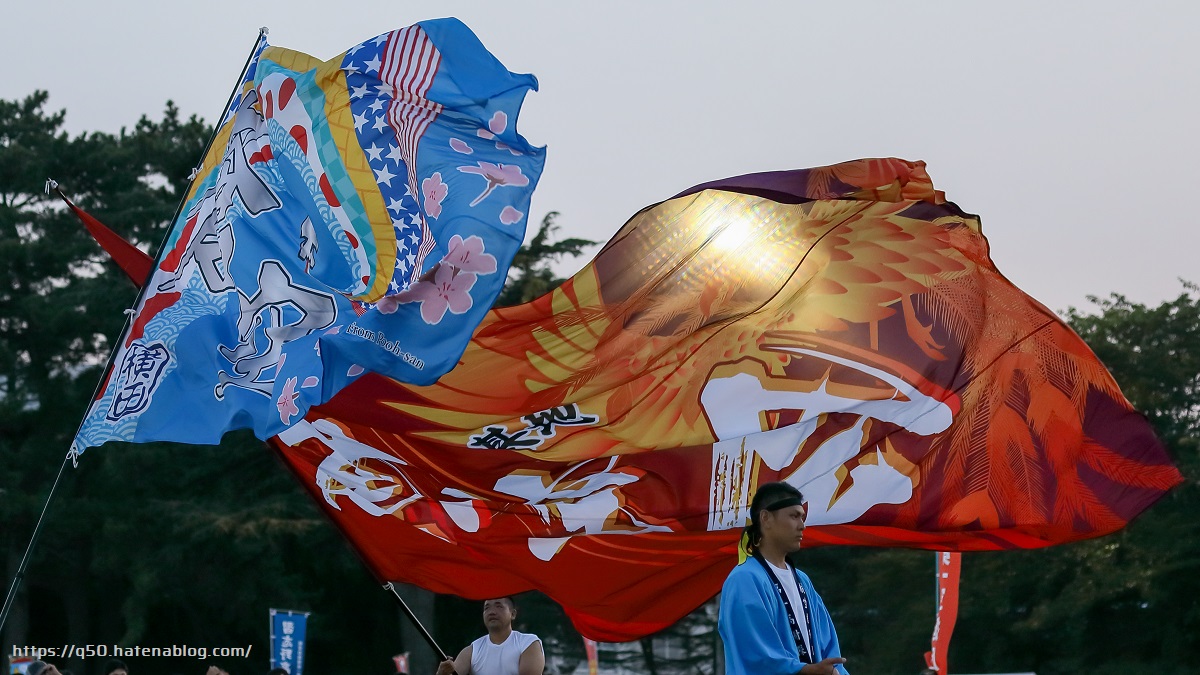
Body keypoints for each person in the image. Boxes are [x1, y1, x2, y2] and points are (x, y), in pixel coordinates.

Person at [718, 482, 849, 675]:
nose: (802, 525)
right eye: (794, 516)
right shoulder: (745, 580)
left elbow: (829, 649)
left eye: (802, 517)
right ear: (766, 518)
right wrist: (806, 670)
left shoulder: (802, 581)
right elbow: (756, 655)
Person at [436, 597, 544, 675]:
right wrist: (441, 673)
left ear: (513, 614)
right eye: (487, 608)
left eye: (499, 606)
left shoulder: (528, 643)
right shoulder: (472, 651)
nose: (492, 612)